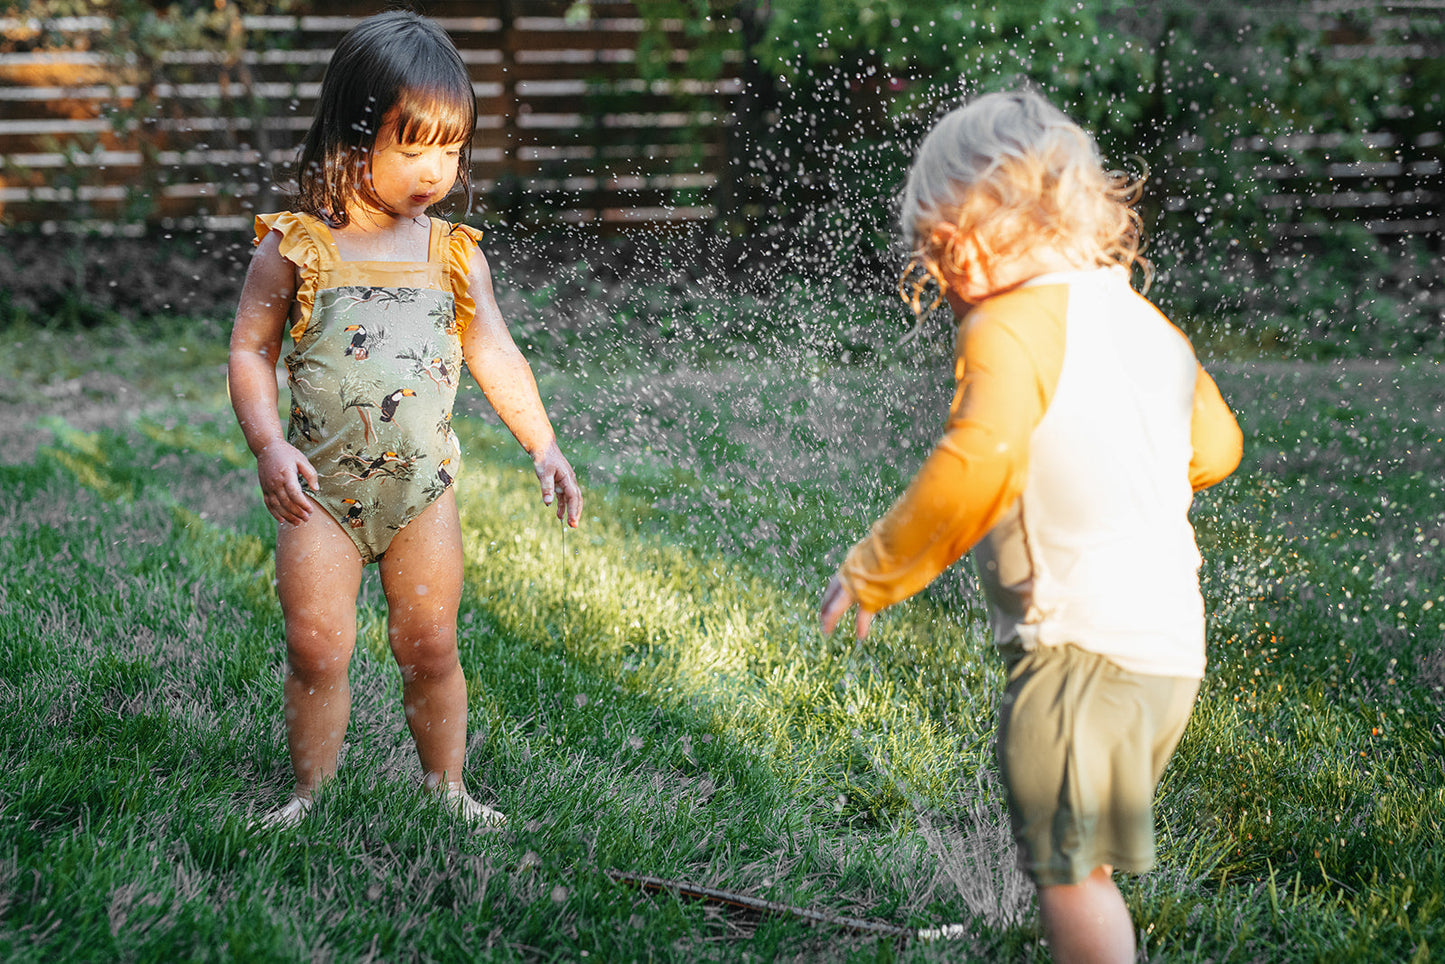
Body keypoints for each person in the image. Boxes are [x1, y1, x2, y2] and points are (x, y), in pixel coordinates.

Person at [819, 90, 1242, 964]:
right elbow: (1216, 448)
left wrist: (877, 570)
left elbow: (977, 464)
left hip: (1074, 649)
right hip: (1168, 651)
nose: (933, 268)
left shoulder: (1009, 323)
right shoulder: (1144, 324)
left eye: (939, 243)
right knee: (1076, 859)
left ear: (986, 219)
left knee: (1070, 872)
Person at [228, 10, 583, 830]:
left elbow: (495, 351)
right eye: (413, 144)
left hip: (422, 491)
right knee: (317, 648)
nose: (437, 169)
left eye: (451, 148)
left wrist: (544, 444)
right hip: (320, 490)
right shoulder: (298, 247)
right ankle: (310, 796)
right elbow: (249, 351)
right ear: (354, 137)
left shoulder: (453, 253)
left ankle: (445, 788)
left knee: (429, 647)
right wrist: (268, 443)